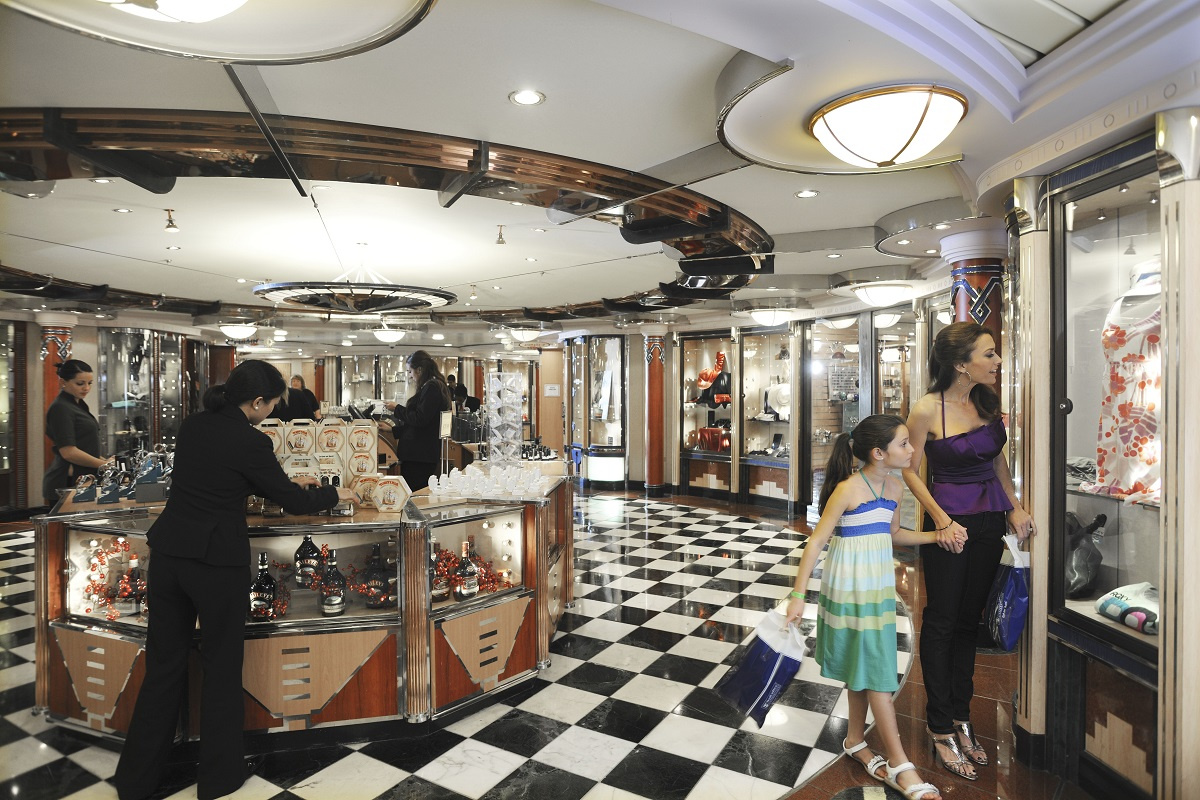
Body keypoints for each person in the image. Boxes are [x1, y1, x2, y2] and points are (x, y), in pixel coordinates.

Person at [114, 360, 357, 800]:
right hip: (214, 563)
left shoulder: (194, 426)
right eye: (273, 404)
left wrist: (286, 480)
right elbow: (292, 502)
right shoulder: (251, 440)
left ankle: (135, 780)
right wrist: (332, 491)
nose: (274, 411)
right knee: (221, 670)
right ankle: (219, 778)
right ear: (257, 402)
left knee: (163, 668)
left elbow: (221, 476)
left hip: (168, 555)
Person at [901, 321, 1034, 782]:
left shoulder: (986, 401)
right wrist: (940, 520)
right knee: (942, 620)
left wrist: (1014, 506)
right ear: (961, 364)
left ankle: (961, 715)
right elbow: (911, 470)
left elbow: (996, 460)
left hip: (989, 520)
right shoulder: (926, 408)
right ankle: (939, 725)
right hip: (950, 524)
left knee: (968, 622)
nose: (997, 361)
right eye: (989, 354)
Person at [785, 415, 944, 800]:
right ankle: (901, 764)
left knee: (864, 667)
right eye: (903, 444)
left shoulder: (895, 487)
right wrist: (797, 595)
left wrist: (937, 536)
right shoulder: (848, 489)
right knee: (878, 675)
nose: (911, 449)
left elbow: (893, 533)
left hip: (877, 591)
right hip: (849, 591)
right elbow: (816, 541)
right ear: (878, 452)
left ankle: (855, 739)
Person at [43, 359, 113, 505]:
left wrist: (105, 461)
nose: (86, 388)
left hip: (82, 479)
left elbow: (85, 446)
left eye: (90, 383)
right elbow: (68, 452)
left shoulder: (77, 404)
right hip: (68, 480)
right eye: (80, 383)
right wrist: (103, 464)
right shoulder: (61, 408)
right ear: (63, 382)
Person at [383, 350, 452, 491]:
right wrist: (392, 430)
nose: (410, 376)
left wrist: (397, 408)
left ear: (419, 370)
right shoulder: (431, 386)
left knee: (414, 493)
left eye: (410, 371)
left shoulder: (432, 387)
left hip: (420, 456)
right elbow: (418, 424)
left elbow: (420, 419)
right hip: (420, 455)